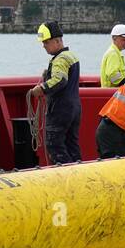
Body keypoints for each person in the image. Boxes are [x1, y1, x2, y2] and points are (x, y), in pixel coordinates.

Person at [30, 21, 83, 164]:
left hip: (60, 110)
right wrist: (48, 74)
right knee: (72, 145)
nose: (44, 46)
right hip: (74, 108)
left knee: (55, 145)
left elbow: (60, 79)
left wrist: (42, 88)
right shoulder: (71, 56)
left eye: (46, 42)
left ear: (57, 40)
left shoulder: (59, 59)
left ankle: (66, 176)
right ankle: (79, 173)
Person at [100, 24, 125, 88]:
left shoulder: (115, 52)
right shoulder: (113, 54)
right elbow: (112, 75)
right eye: (123, 40)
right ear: (114, 38)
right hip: (112, 93)